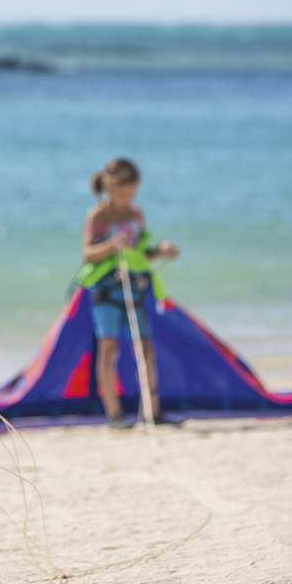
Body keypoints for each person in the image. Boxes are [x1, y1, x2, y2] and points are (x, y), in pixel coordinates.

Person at [75, 157, 180, 428]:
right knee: (109, 348)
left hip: (134, 287)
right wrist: (111, 245)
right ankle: (114, 414)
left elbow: (141, 253)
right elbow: (87, 255)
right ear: (110, 188)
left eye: (132, 194)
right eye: (123, 194)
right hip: (106, 290)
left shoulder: (136, 215)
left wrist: (160, 251)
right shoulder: (97, 217)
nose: (128, 200)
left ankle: (152, 412)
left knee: (145, 347)